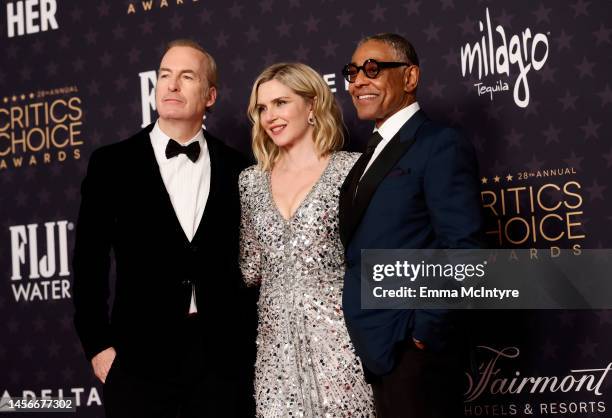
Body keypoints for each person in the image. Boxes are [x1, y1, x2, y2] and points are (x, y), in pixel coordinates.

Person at [72, 39, 257, 418]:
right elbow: (88, 263)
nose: (171, 85)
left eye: (186, 76)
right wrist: (98, 346)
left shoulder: (240, 168)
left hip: (221, 363)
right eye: (165, 75)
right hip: (139, 362)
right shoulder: (111, 164)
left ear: (210, 95)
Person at [339, 33, 484, 418]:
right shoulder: (368, 153)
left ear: (410, 77)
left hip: (416, 349)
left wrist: (423, 333)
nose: (358, 81)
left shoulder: (439, 144)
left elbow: (465, 250)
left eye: (373, 69)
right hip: (377, 347)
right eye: (352, 72)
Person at [239, 62, 375, 417]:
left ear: (312, 105)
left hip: (344, 348)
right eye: (262, 108)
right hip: (275, 358)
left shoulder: (353, 170)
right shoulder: (251, 183)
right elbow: (250, 268)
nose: (270, 116)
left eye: (281, 103)